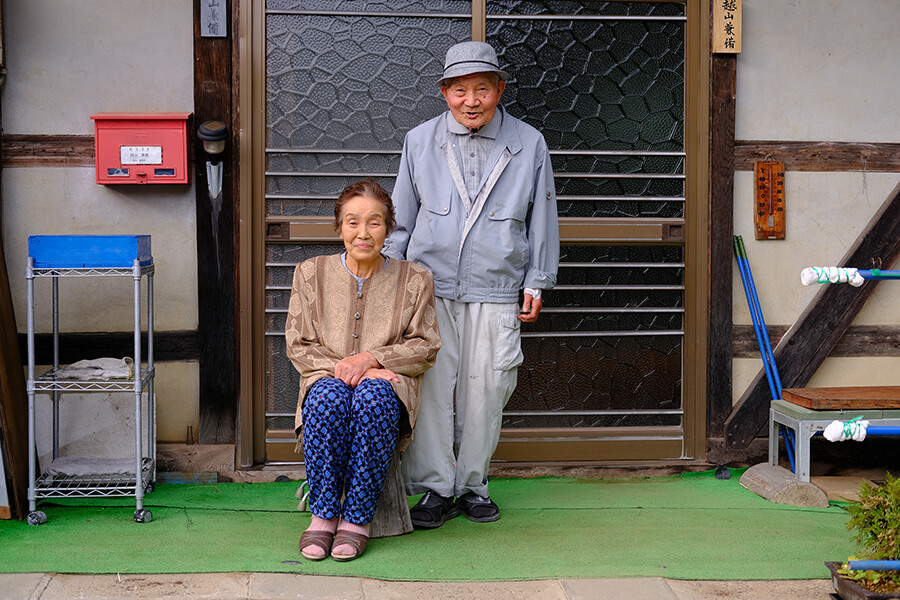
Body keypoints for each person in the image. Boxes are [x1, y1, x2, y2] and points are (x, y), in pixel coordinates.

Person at [383, 41, 559, 528]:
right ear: (445, 93)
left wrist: (537, 280)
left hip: (498, 286)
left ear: (499, 90)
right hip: (429, 288)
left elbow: (542, 216)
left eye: (483, 88)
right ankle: (437, 489)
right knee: (434, 390)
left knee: (489, 388)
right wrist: (390, 284)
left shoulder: (528, 142)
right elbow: (400, 221)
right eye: (460, 90)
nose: (472, 100)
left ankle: (474, 485)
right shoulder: (419, 141)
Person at [286, 178, 441, 561]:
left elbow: (426, 344)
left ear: (388, 228)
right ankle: (323, 517)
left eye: (374, 222)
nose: (363, 232)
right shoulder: (310, 273)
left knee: (372, 398)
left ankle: (356, 520)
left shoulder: (415, 279)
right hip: (325, 377)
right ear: (339, 226)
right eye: (352, 222)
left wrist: (371, 360)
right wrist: (349, 368)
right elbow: (298, 343)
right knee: (327, 399)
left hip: (386, 383)